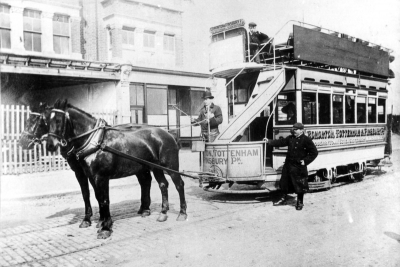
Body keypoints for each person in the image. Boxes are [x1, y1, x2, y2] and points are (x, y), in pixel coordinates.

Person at [266, 122, 318, 210]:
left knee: (299, 185)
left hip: (299, 167)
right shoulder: (290, 138)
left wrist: (305, 161)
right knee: (284, 183)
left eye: (296, 129)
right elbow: (281, 142)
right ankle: (283, 199)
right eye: (293, 129)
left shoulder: (306, 140)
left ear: (301, 130)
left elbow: (314, 153)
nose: (293, 131)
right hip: (288, 165)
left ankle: (300, 202)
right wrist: (269, 141)